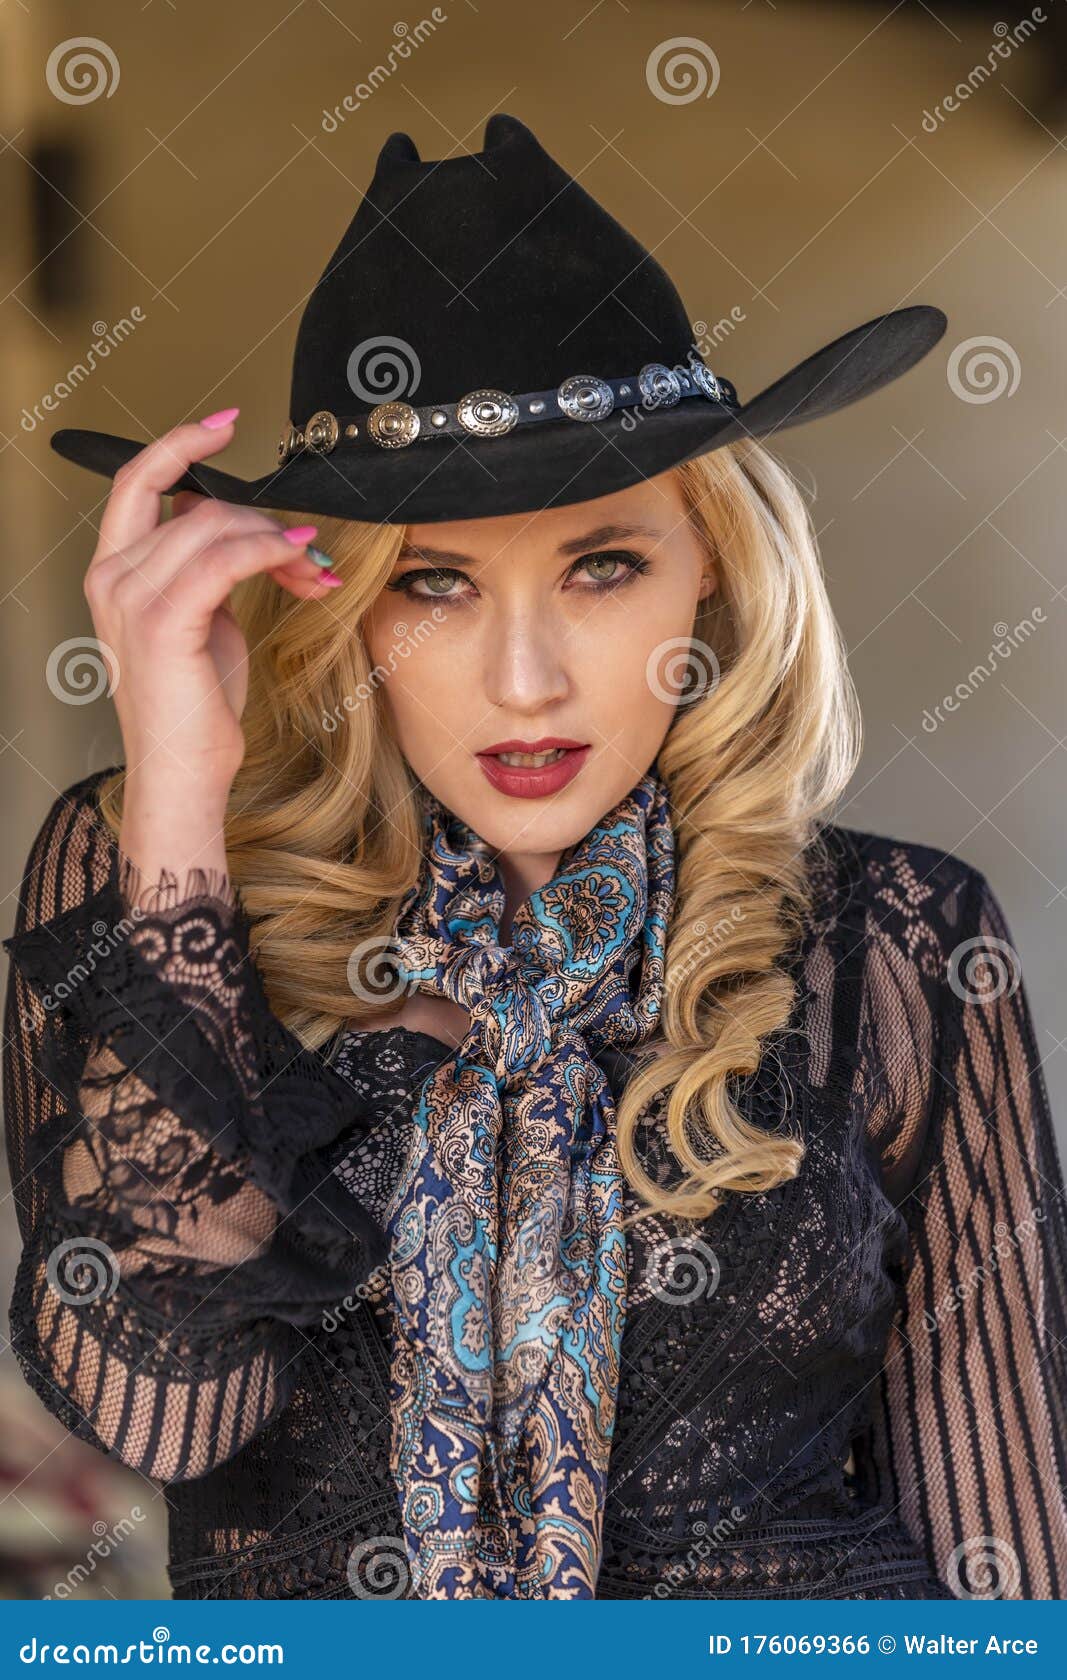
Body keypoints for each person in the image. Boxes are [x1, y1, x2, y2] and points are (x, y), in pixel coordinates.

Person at [3, 112, 1065, 1602]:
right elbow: (164, 1409)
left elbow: (1006, 1546)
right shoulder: (146, 882)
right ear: (345, 608)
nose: (524, 680)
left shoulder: (897, 941)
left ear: (714, 572)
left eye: (603, 565)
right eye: (434, 583)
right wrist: (182, 800)